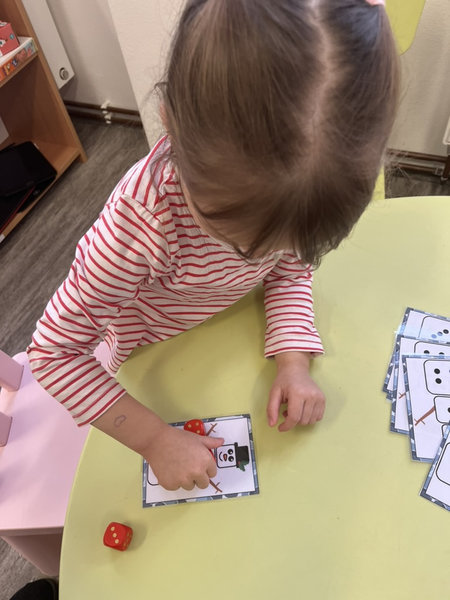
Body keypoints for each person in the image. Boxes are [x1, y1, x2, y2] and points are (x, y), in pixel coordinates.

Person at [27, 0, 399, 492]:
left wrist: (293, 360)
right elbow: (53, 353)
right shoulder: (139, 226)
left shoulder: (288, 204)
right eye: (238, 239)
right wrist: (155, 440)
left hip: (227, 337)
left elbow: (289, 270)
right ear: (170, 124)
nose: (262, 255)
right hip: (150, 358)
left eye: (286, 241)